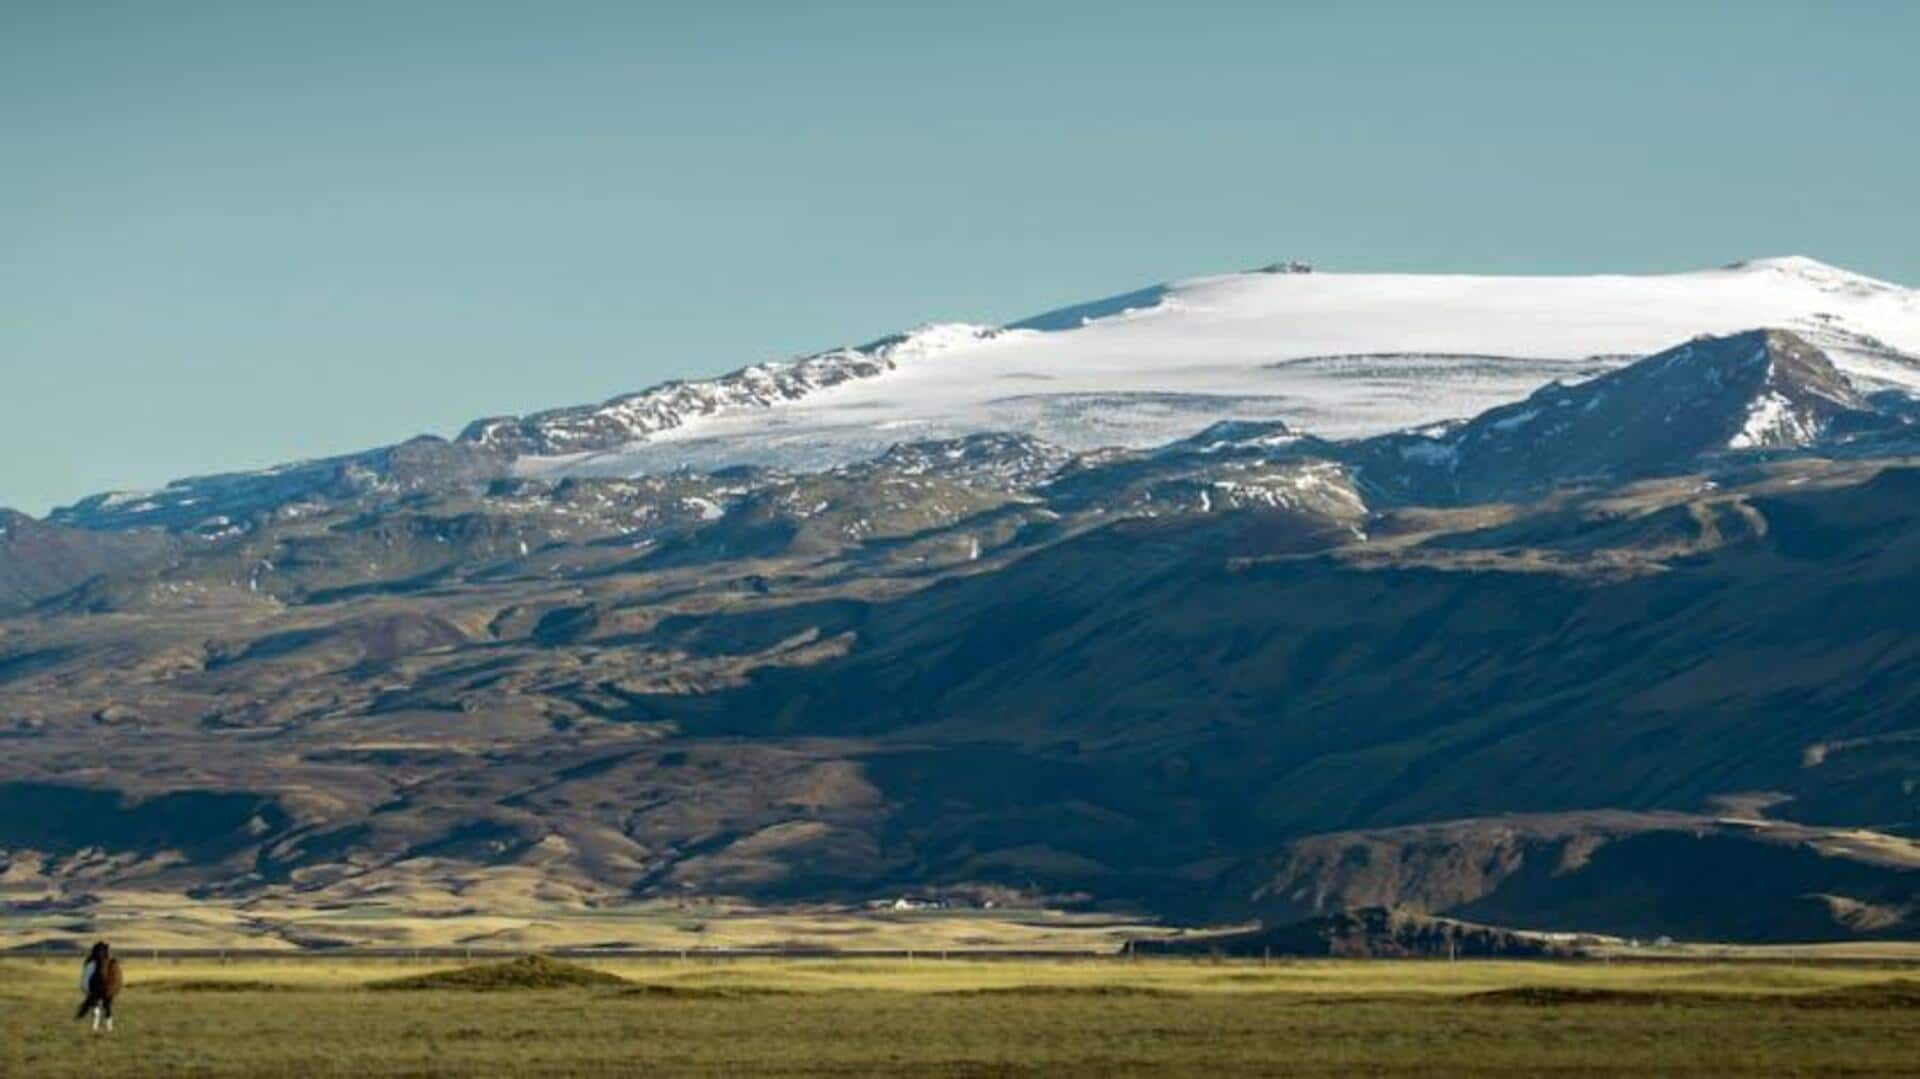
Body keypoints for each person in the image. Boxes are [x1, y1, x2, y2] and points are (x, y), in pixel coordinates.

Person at [75, 940, 122, 1033]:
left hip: (106, 988)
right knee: (100, 1006)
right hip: (95, 987)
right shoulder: (93, 965)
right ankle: (101, 1027)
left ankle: (106, 1026)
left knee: (106, 1006)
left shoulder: (110, 966)